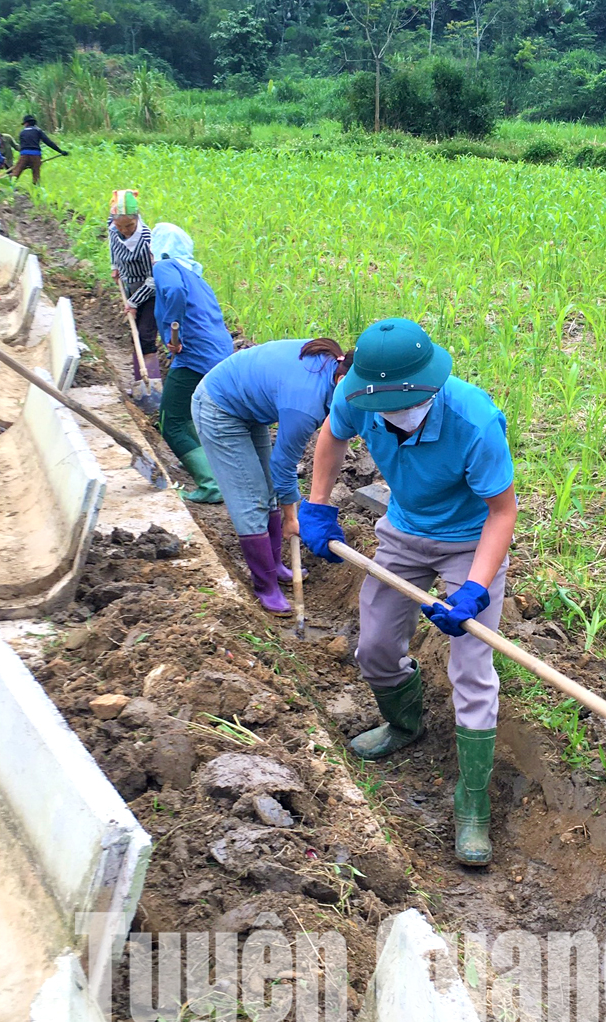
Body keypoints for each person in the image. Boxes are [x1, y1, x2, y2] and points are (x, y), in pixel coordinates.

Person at [300, 318, 516, 867]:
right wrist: (318, 504)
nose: (397, 413)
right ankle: (404, 722)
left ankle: (473, 800)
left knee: (471, 668)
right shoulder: (357, 395)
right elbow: (332, 436)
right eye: (387, 405)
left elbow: (502, 512)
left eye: (409, 403)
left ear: (430, 385)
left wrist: (475, 587)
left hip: (469, 541)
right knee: (374, 647)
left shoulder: (474, 420)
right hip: (403, 533)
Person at [192, 338, 354, 613]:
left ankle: (275, 565)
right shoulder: (305, 404)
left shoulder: (334, 370)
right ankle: (265, 586)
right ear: (342, 380)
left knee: (267, 488)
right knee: (251, 499)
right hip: (218, 406)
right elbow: (283, 464)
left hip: (248, 406)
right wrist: (291, 518)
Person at [150, 222, 233, 504]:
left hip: (195, 355)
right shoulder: (196, 276)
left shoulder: (166, 266)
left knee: (170, 421)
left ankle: (211, 484)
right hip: (219, 352)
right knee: (190, 417)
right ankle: (215, 474)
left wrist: (174, 328)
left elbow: (173, 292)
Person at [107, 190, 160, 394]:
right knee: (135, 334)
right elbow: (113, 246)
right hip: (130, 288)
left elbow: (153, 280)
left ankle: (152, 386)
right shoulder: (114, 229)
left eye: (129, 226)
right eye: (120, 226)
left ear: (137, 218)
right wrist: (115, 266)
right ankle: (139, 382)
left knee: (145, 336)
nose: (124, 231)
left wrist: (134, 302)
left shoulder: (146, 240)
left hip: (150, 293)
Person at [10, 114, 67, 184]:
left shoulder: (22, 132)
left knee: (16, 172)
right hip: (35, 155)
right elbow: (48, 142)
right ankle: (36, 188)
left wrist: (24, 160)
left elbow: (22, 146)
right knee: (36, 174)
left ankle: (11, 186)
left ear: (26, 123)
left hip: (24, 155)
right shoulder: (38, 131)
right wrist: (60, 151)